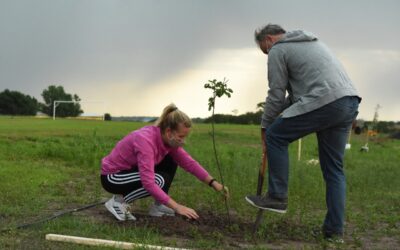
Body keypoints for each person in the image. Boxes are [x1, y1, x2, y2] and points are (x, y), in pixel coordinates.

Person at [245, 24, 361, 241]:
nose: (267, 55)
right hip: (348, 102)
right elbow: (296, 98)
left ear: (269, 39)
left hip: (325, 101)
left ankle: (277, 196)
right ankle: (334, 232)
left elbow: (276, 94)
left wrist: (265, 126)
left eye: (265, 50)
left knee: (275, 136)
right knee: (334, 171)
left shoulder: (278, 49)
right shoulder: (313, 43)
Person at [101, 103, 229, 221]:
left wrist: (214, 183)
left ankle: (158, 206)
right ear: (169, 132)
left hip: (130, 172)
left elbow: (190, 163)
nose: (183, 141)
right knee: (158, 180)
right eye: (181, 136)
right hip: (113, 177)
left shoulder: (168, 142)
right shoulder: (146, 140)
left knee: (171, 160)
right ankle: (118, 202)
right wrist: (177, 207)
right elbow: (148, 183)